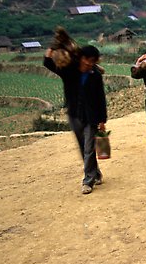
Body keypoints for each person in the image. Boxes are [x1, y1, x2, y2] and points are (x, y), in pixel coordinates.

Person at [43, 44, 108, 195]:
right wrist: (52, 48)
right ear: (81, 58)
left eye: (93, 61)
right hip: (74, 115)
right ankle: (96, 173)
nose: (90, 64)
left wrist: (102, 119)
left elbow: (100, 98)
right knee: (83, 148)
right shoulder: (69, 71)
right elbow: (48, 63)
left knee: (89, 148)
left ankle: (88, 181)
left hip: (91, 117)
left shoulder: (95, 75)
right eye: (88, 60)